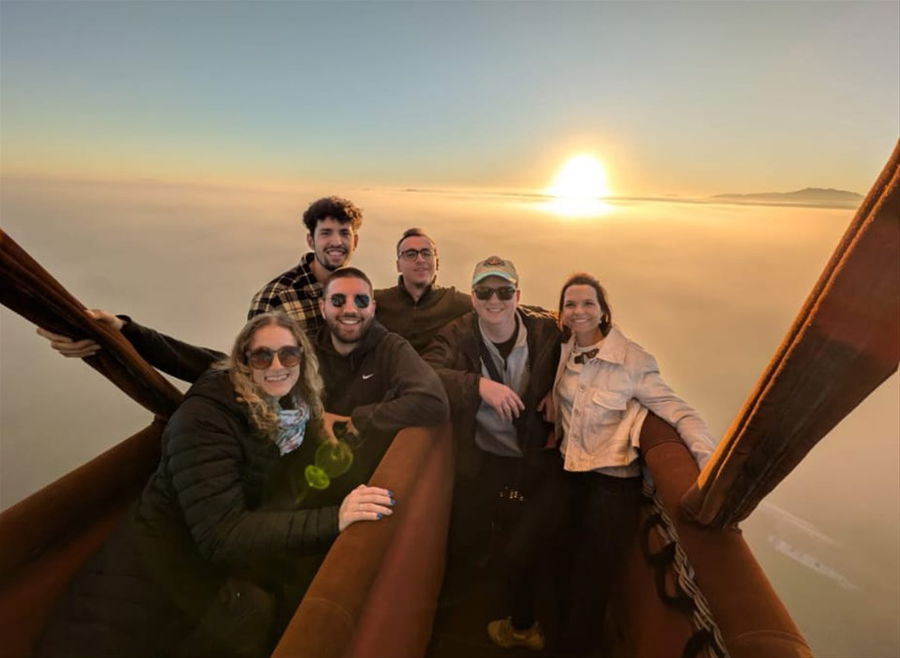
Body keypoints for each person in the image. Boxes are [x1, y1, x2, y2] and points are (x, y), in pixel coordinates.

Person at [36, 312, 395, 658]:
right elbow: (223, 535)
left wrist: (126, 330)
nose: (276, 366)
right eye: (262, 356)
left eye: (288, 354)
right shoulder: (203, 423)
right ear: (244, 362)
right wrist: (335, 518)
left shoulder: (292, 409)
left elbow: (189, 356)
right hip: (142, 597)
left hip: (201, 581)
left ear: (303, 359)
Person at [39, 268, 449, 448]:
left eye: (361, 300)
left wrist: (353, 420)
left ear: (373, 308)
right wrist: (125, 332)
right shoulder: (303, 346)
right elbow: (218, 364)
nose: (350, 308)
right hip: (299, 461)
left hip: (355, 469)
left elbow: (431, 401)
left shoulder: (391, 348)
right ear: (322, 307)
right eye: (338, 299)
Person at [549, 272, 714, 654]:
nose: (579, 311)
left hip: (612, 484)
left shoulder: (632, 362)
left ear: (604, 311)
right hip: (570, 476)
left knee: (592, 578)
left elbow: (680, 413)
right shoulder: (565, 352)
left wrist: (709, 465)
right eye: (570, 304)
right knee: (562, 558)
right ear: (561, 314)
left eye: (588, 303)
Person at [422, 255, 562, 652]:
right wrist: (479, 385)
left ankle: (530, 610)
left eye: (504, 291)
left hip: (537, 454)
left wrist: (560, 388)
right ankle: (462, 608)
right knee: (466, 533)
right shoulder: (458, 334)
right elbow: (425, 371)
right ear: (473, 297)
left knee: (535, 541)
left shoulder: (546, 331)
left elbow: (591, 343)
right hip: (485, 455)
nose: (494, 300)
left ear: (518, 295)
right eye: (485, 291)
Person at [247, 196, 363, 336]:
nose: (336, 242)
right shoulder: (274, 301)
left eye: (344, 233)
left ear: (355, 242)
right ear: (311, 241)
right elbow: (255, 355)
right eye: (326, 233)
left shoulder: (361, 295)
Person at [374, 228, 471, 353]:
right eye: (411, 254)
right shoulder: (377, 302)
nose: (420, 260)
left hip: (437, 371)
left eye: (426, 253)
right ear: (398, 266)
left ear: (437, 263)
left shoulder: (456, 302)